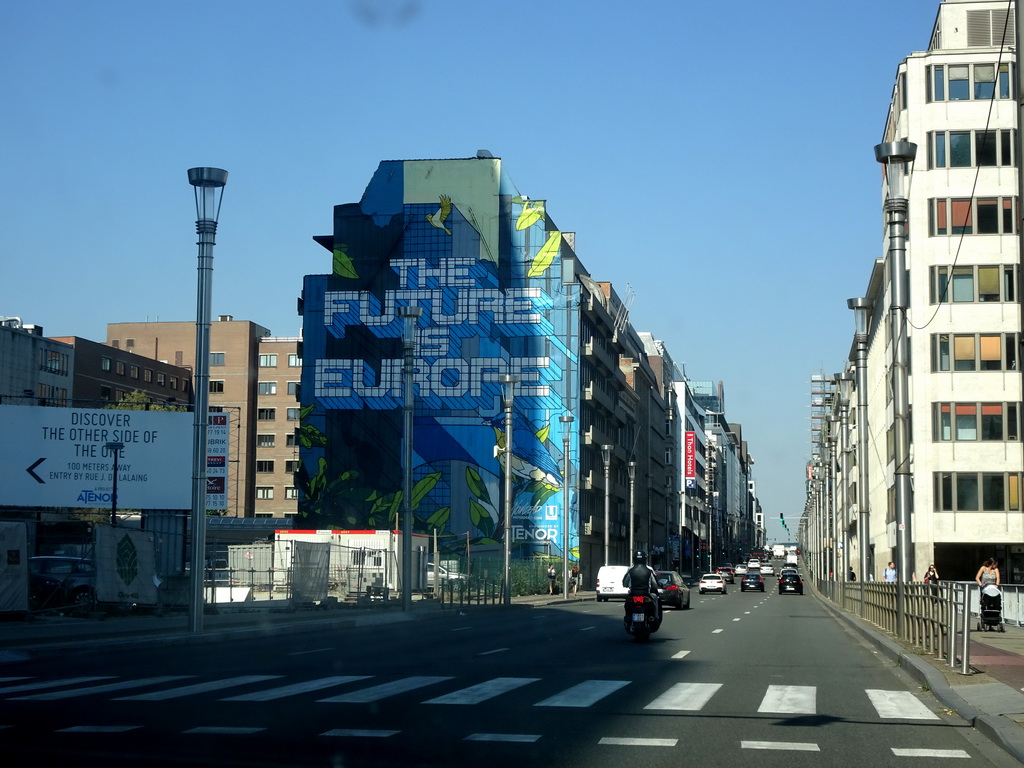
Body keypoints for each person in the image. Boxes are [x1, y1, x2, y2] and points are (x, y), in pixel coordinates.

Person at [622, 550, 661, 621]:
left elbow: (625, 583)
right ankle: (655, 616)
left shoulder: (630, 570)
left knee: (627, 603)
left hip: (633, 594)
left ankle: (628, 616)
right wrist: (657, 586)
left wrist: (627, 585)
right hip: (646, 594)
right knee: (655, 598)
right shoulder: (649, 570)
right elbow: (655, 583)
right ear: (645, 559)